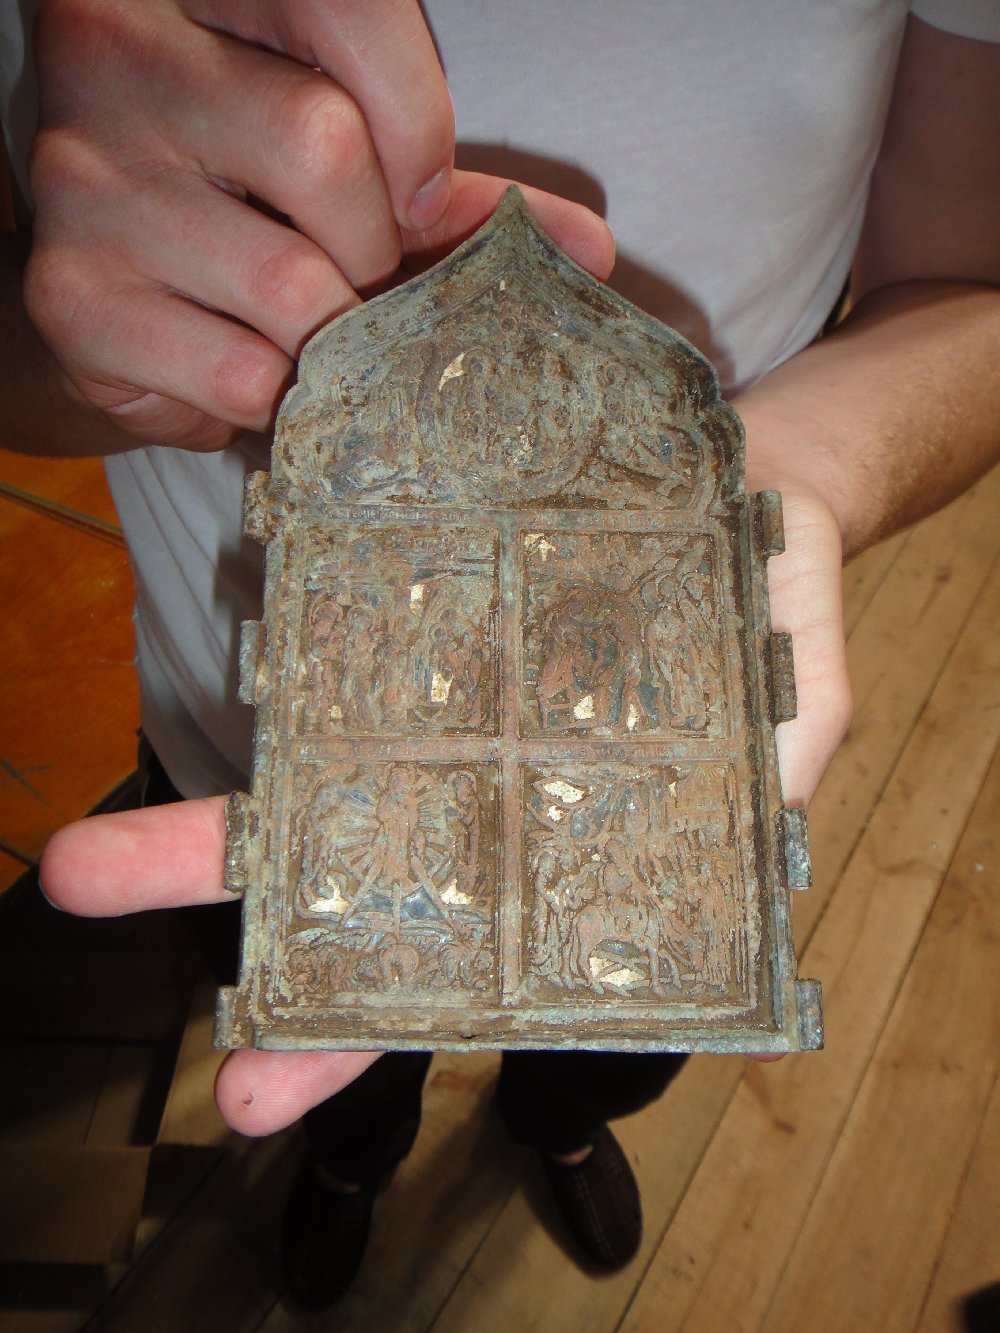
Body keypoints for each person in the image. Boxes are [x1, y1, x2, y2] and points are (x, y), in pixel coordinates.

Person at [2, 0, 998, 1310]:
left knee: (607, 1045)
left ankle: (555, 1124)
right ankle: (352, 1163)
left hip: (642, 782)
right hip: (260, 769)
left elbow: (970, 284)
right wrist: (77, 356)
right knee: (333, 1064)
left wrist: (784, 475)